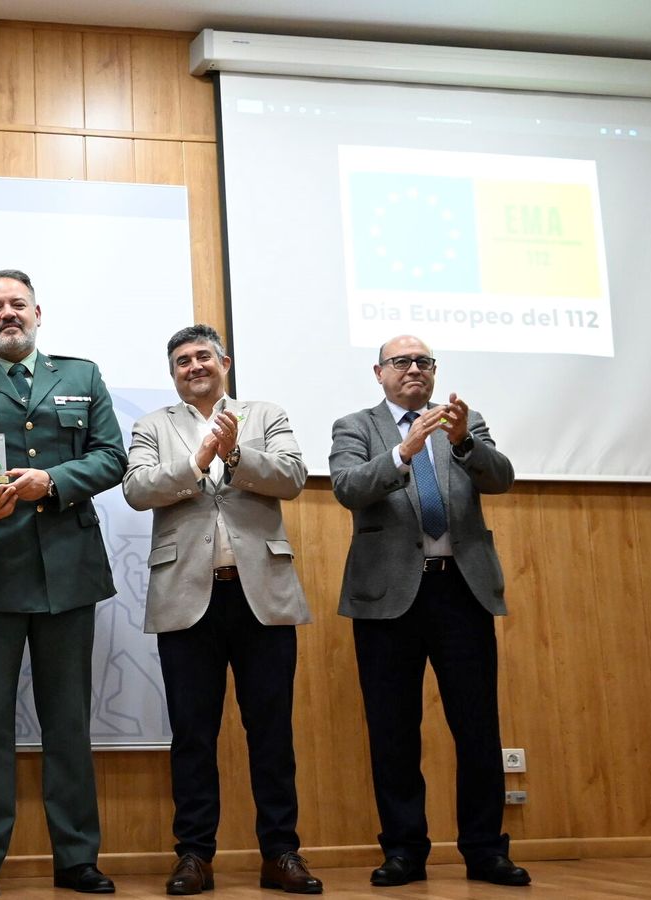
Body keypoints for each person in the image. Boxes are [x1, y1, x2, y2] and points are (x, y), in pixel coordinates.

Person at [0, 269, 126, 899]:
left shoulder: (82, 375)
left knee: (68, 721)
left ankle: (76, 857)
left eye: (17, 304)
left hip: (68, 569)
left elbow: (112, 456)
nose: (8, 314)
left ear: (38, 312)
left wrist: (55, 482)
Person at [121, 325, 322, 896]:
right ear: (172, 372)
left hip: (263, 597)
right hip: (186, 599)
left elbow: (292, 478)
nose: (193, 367)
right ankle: (193, 855)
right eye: (182, 361)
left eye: (202, 356)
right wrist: (198, 459)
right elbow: (138, 489)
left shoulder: (265, 414)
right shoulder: (151, 425)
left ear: (225, 362)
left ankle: (281, 853)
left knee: (272, 733)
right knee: (192, 734)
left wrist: (233, 452)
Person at [327, 334, 529, 888]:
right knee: (393, 731)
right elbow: (348, 486)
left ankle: (486, 850)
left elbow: (501, 477)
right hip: (386, 598)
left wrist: (464, 442)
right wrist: (404, 451)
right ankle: (404, 851)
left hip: (461, 593)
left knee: (477, 728)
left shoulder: (462, 421)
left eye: (423, 361)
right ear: (379, 372)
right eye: (401, 361)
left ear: (434, 371)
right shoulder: (355, 426)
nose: (413, 368)